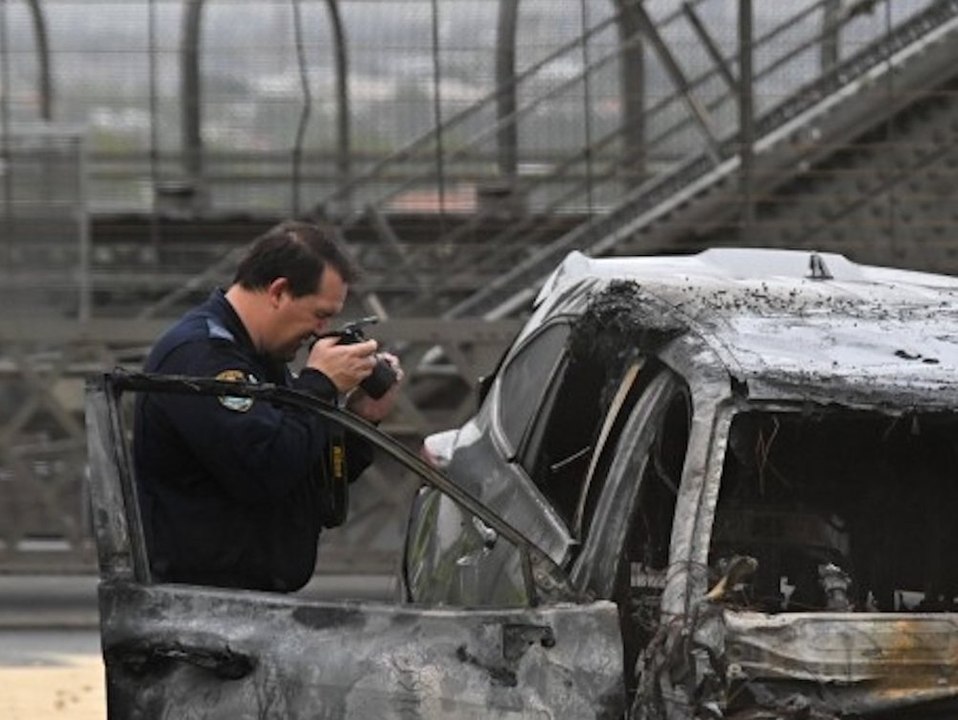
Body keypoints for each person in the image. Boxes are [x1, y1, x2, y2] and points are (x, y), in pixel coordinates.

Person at [133, 220, 402, 592]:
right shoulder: (202, 357)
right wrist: (319, 385)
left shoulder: (259, 358)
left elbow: (306, 479)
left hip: (238, 601)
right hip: (199, 603)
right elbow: (264, 469)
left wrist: (359, 420)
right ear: (278, 291)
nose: (321, 331)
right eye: (320, 314)